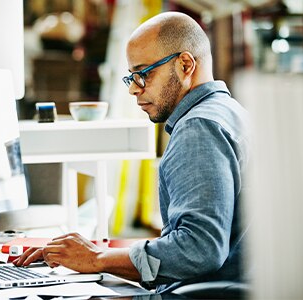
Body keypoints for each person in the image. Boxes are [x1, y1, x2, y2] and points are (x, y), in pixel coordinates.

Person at [14, 11, 250, 294]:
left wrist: (96, 259)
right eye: (131, 77)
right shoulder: (230, 113)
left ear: (185, 64)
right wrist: (99, 254)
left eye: (144, 74)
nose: (134, 90)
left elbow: (199, 248)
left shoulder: (198, 128)